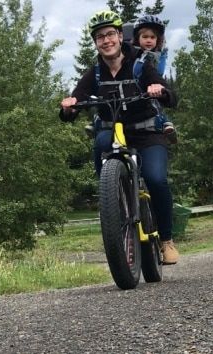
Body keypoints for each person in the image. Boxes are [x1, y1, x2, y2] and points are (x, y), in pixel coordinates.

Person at [59, 10, 179, 264]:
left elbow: (170, 94)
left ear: (119, 36)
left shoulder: (140, 63)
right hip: (113, 132)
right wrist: (68, 106)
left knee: (157, 180)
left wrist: (159, 90)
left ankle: (166, 240)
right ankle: (112, 200)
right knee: (101, 143)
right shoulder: (96, 73)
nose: (106, 41)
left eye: (110, 34)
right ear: (96, 42)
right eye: (100, 37)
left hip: (147, 133)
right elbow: (76, 98)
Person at [132, 14, 176, 142]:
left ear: (158, 40)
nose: (149, 40)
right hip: (134, 84)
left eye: (152, 37)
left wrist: (162, 55)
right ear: (137, 38)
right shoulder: (132, 54)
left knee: (154, 101)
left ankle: (165, 122)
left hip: (151, 84)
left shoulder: (157, 55)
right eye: (145, 37)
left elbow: (160, 72)